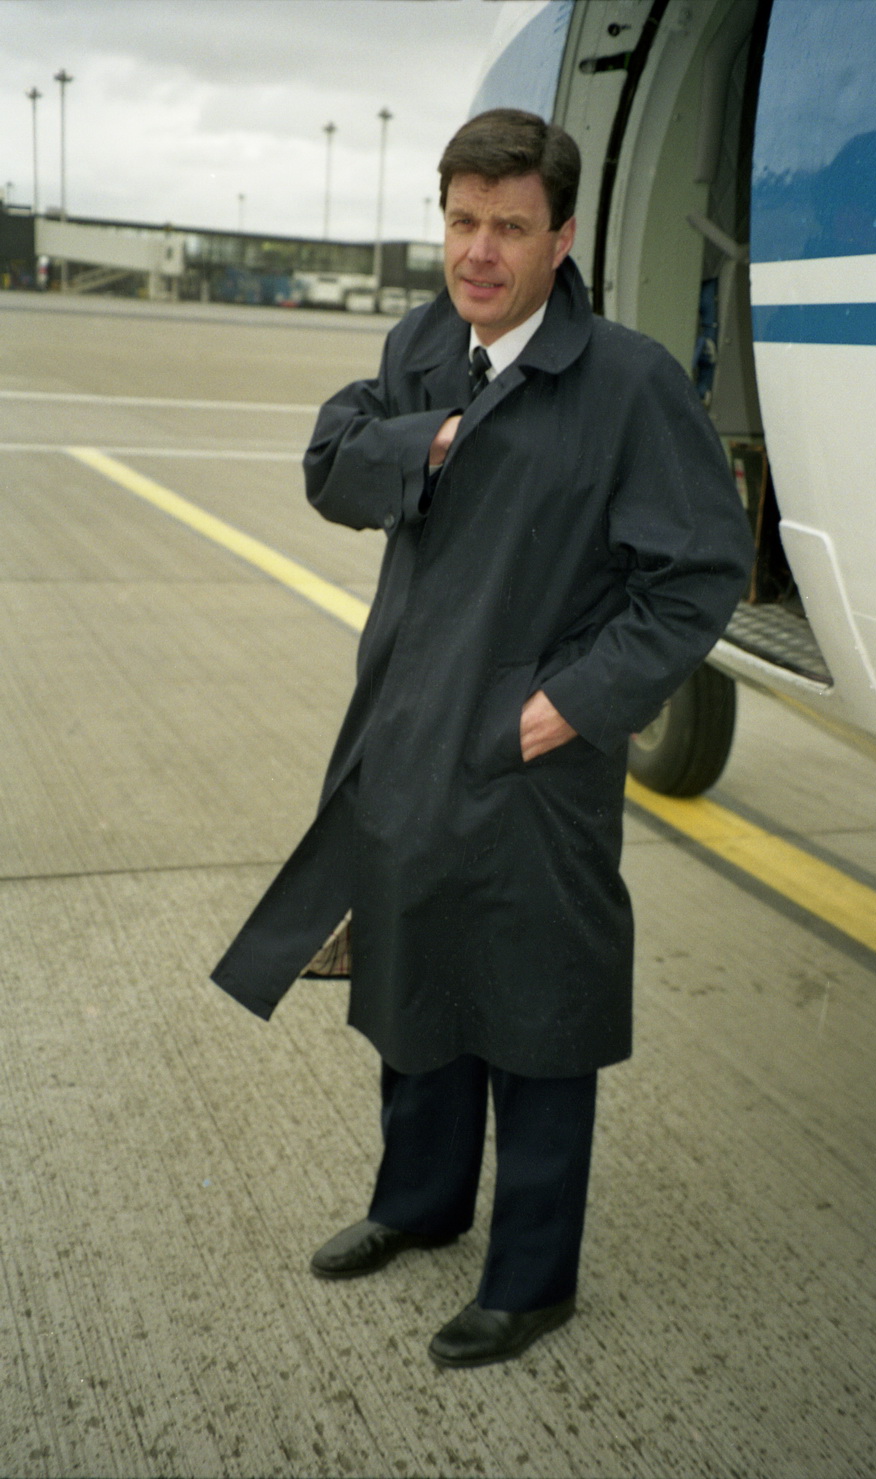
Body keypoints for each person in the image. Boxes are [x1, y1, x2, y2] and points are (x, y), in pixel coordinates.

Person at [212, 108, 754, 1368]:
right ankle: (419, 1206)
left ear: (562, 238)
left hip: (533, 759)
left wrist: (566, 707)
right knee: (415, 981)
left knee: (536, 1011)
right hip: (404, 736)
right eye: (463, 221)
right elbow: (330, 463)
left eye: (511, 227)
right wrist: (432, 437)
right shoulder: (423, 350)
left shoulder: (627, 384)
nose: (481, 251)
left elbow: (700, 573)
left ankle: (531, 1278)